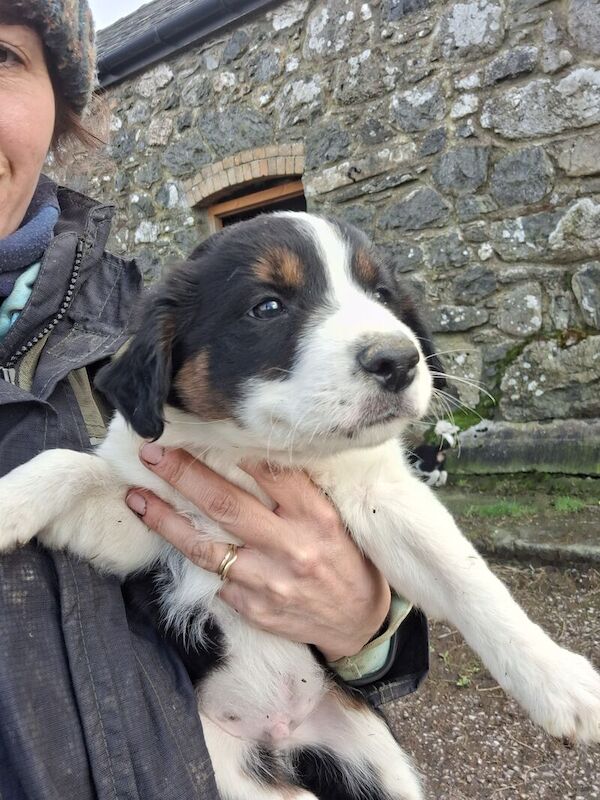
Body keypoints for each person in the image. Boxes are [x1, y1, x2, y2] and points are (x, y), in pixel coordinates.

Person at [0, 2, 429, 797]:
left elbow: (372, 560)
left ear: (61, 104)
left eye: (1, 55)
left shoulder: (166, 321)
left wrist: (367, 628)